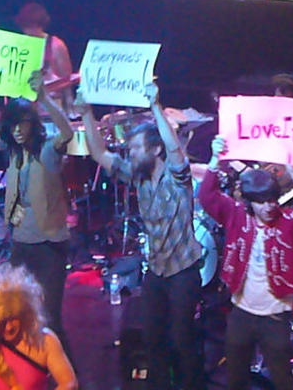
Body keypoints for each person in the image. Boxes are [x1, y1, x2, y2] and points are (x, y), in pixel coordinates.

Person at [75, 83, 205, 390]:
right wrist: (86, 113)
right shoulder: (138, 176)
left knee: (182, 341)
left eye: (136, 148)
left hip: (183, 272)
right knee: (152, 338)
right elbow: (99, 153)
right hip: (157, 272)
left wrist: (155, 106)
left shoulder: (177, 177)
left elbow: (174, 149)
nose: (130, 153)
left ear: (155, 150)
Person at [0, 69, 75, 361]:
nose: (17, 130)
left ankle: (67, 373)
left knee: (50, 317)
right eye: (13, 125)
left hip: (49, 244)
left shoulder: (47, 150)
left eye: (23, 124)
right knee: (19, 311)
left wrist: (44, 96)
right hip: (22, 244)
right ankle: (30, 367)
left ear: (32, 124)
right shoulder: (13, 151)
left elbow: (67, 133)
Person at [198, 136, 293, 390]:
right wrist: (215, 159)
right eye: (261, 201)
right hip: (241, 312)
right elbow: (207, 197)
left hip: (275, 315)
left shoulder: (288, 220)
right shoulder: (236, 215)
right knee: (236, 377)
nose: (268, 207)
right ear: (249, 202)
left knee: (282, 378)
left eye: (272, 200)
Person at [0, 264, 77, 390]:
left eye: (13, 318)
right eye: (2, 322)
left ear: (25, 313)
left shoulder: (44, 341)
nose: (9, 327)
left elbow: (69, 383)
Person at [14, 2, 76, 114]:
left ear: (40, 25)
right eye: (26, 27)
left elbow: (67, 78)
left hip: (52, 102)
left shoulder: (55, 45)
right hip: (27, 104)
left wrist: (69, 103)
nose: (29, 31)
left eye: (32, 26)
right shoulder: (19, 45)